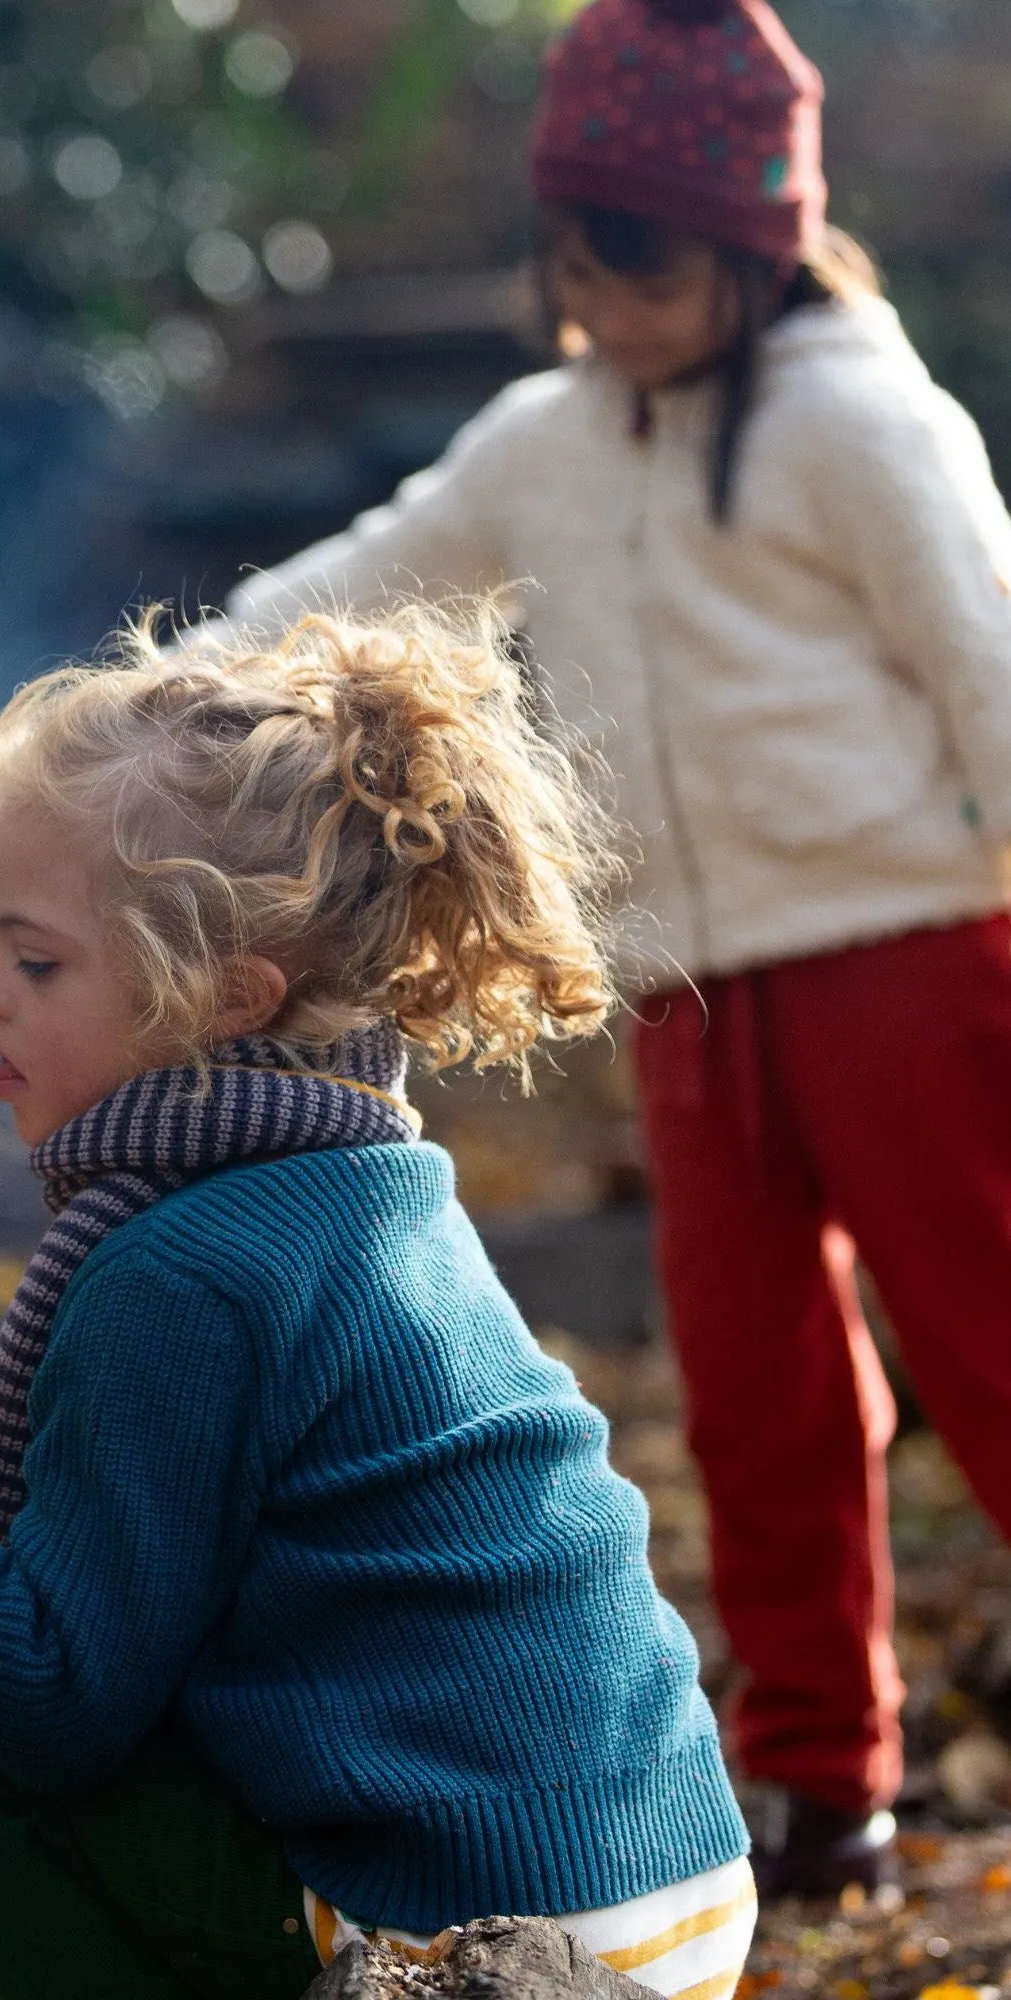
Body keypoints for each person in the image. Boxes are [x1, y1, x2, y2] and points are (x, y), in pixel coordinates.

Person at [0, 602, 755, 2000]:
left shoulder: (180, 1272)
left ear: (224, 995)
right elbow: (126, 1545)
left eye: (37, 960)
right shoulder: (362, 1183)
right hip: (662, 1892)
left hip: (465, 1932)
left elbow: (49, 1695)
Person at [205, 0, 1011, 1897]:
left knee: (989, 1332)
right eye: (566, 260)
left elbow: (987, 664)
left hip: (904, 950)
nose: (593, 301)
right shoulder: (545, 441)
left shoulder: (863, 418)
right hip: (692, 991)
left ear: (747, 243)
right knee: (751, 1384)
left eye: (632, 262)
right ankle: (823, 1771)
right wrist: (176, 687)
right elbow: (365, 576)